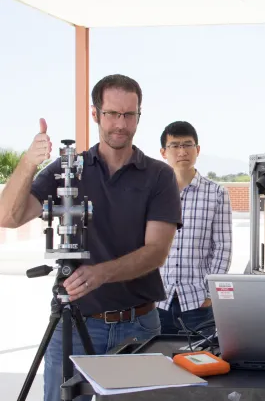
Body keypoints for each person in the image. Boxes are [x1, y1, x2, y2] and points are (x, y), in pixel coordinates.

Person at [0, 74, 182, 401]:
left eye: (130, 115)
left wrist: (100, 274)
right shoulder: (67, 168)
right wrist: (28, 163)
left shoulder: (159, 175)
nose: (121, 124)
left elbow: (156, 251)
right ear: (96, 114)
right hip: (75, 321)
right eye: (112, 113)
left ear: (139, 116)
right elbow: (8, 217)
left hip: (138, 325)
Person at [157, 121, 232, 336]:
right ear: (164, 152)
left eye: (188, 145)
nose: (182, 151)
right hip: (157, 302)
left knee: (200, 364)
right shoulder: (153, 192)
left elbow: (223, 248)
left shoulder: (216, 193)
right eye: (175, 145)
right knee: (156, 364)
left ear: (197, 150)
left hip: (198, 303)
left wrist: (209, 295)